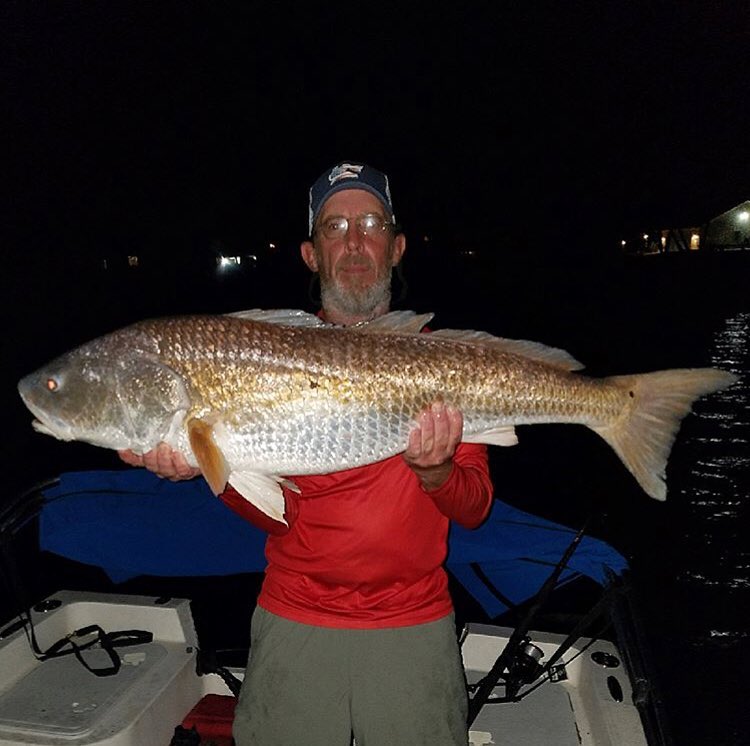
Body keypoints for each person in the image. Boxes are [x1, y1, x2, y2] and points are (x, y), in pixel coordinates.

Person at [120, 161, 494, 745]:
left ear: (396, 247)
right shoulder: (259, 358)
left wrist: (438, 471)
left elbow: (474, 508)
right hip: (295, 615)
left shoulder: (440, 362)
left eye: (370, 223)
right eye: (333, 227)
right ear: (310, 253)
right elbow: (277, 515)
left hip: (414, 623)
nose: (353, 241)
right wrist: (206, 470)